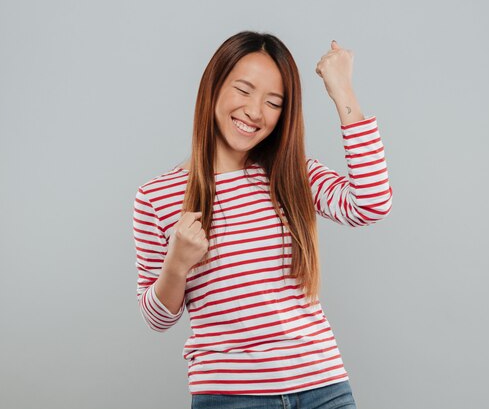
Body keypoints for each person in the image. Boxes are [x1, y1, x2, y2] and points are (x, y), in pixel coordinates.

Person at [132, 30, 392, 409]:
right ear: (214, 86)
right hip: (230, 396)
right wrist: (176, 264)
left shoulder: (290, 174)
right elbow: (156, 319)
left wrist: (342, 92)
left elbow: (371, 203)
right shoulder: (157, 196)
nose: (255, 111)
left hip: (323, 387)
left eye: (273, 102)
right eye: (244, 90)